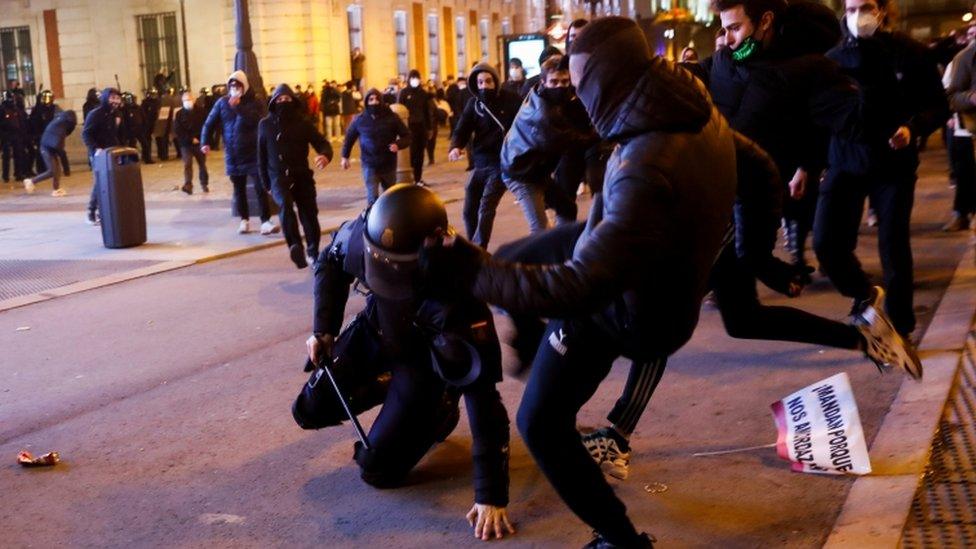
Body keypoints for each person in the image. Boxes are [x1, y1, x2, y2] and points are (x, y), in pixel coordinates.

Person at [423, 17, 738, 548]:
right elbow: (759, 166)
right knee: (515, 253)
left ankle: (619, 538)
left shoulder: (645, 163)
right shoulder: (694, 108)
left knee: (540, 422)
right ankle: (525, 345)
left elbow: (578, 288)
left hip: (630, 307)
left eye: (583, 84)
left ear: (611, 79)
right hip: (632, 251)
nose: (581, 98)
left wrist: (475, 274)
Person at [306, 184, 513, 541]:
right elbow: (329, 261)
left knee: (378, 471)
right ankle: (390, 386)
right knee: (309, 408)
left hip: (425, 365)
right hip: (378, 330)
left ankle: (442, 405)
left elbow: (484, 399)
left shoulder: (461, 297)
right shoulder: (366, 232)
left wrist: (490, 494)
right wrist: (324, 329)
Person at [815, 0, 950, 338]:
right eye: (850, 9)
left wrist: (913, 127)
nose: (858, 16)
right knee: (826, 242)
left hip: (893, 166)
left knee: (893, 245)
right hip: (845, 160)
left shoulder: (911, 53)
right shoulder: (833, 60)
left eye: (866, 7)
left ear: (882, 10)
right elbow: (820, 116)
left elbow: (937, 106)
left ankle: (900, 329)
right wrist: (807, 166)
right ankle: (864, 294)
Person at [502, 55, 599, 233]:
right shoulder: (543, 113)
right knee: (539, 228)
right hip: (521, 173)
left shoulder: (542, 95)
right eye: (554, 82)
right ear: (543, 81)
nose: (560, 86)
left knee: (567, 209)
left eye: (564, 81)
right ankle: (542, 257)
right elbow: (568, 140)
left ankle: (561, 247)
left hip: (537, 169)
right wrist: (597, 134)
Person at [258, 84, 332, 269]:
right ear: (274, 102)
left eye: (287, 99)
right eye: (280, 99)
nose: (284, 102)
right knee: (285, 208)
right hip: (278, 177)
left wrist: (325, 155)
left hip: (302, 176)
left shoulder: (303, 123)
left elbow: (322, 143)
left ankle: (313, 252)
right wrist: (266, 183)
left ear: (294, 101)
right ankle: (295, 246)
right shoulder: (265, 125)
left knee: (309, 215)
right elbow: (261, 157)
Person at [447, 63, 521, 248]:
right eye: (480, 82)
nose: (484, 86)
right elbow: (462, 128)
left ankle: (480, 248)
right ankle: (474, 246)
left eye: (488, 81)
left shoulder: (510, 100)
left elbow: (523, 124)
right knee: (469, 208)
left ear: (495, 81)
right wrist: (456, 146)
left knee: (486, 207)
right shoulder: (474, 104)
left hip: (501, 163)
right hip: (480, 163)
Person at [201, 70, 279, 236]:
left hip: (253, 153)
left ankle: (265, 221)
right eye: (232, 86)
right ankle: (244, 220)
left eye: (238, 85)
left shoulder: (255, 101)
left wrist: (238, 108)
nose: (234, 89)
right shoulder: (222, 102)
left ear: (245, 86)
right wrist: (204, 142)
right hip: (233, 154)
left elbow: (258, 120)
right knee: (239, 189)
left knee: (260, 188)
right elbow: (209, 123)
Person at [340, 88, 411, 205]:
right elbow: (349, 138)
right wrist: (345, 157)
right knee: (372, 197)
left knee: (390, 197)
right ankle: (372, 220)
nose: (374, 102)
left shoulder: (392, 117)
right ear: (366, 102)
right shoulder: (360, 119)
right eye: (371, 100)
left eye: (377, 99)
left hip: (388, 163)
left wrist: (398, 145)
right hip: (369, 164)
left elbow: (407, 136)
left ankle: (389, 220)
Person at [945, 24, 976, 232]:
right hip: (970, 132)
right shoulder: (965, 58)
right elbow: (952, 96)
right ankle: (961, 214)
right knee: (964, 172)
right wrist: (972, 98)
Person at [82, 87, 123, 225]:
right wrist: (95, 149)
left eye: (117, 98)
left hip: (111, 152)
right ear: (105, 98)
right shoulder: (95, 114)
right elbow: (86, 134)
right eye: (112, 98)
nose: (115, 101)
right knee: (100, 182)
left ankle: (103, 212)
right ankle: (91, 212)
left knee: (110, 182)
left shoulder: (113, 115)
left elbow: (112, 135)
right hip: (98, 153)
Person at [23, 109, 76, 197]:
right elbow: (59, 145)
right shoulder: (62, 127)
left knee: (57, 170)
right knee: (51, 171)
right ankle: (31, 181)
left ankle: (56, 190)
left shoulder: (60, 121)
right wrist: (66, 166)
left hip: (50, 147)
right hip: (46, 147)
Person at [398, 70, 435, 185]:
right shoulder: (404, 93)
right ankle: (410, 177)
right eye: (413, 77)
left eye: (416, 77)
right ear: (409, 79)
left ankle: (418, 178)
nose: (415, 80)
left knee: (420, 154)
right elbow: (399, 110)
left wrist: (429, 128)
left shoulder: (423, 93)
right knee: (411, 154)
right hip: (409, 128)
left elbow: (426, 111)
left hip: (421, 127)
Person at [174, 91, 209, 194]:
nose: (187, 102)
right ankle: (188, 185)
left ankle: (204, 183)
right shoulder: (179, 114)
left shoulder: (202, 112)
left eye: (189, 99)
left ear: (193, 100)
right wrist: (190, 138)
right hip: (186, 144)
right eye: (185, 100)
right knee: (187, 163)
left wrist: (201, 139)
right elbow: (178, 129)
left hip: (199, 142)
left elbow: (206, 126)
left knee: (202, 164)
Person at [1, 90, 30, 183]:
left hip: (16, 135)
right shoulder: (2, 109)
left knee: (18, 154)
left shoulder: (15, 109)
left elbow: (20, 121)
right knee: (6, 156)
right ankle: (5, 176)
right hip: (6, 135)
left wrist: (22, 133)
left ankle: (18, 174)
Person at [28, 90, 58, 175]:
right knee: (40, 153)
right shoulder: (38, 110)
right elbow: (33, 123)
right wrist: (35, 135)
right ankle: (41, 170)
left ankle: (51, 168)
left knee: (52, 152)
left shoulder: (53, 109)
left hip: (50, 134)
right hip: (40, 135)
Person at [120, 92, 153, 164]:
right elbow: (123, 120)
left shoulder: (138, 107)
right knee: (131, 146)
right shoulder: (123, 109)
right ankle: (133, 160)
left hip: (139, 129)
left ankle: (147, 158)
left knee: (145, 144)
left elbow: (143, 117)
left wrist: (144, 127)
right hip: (129, 130)